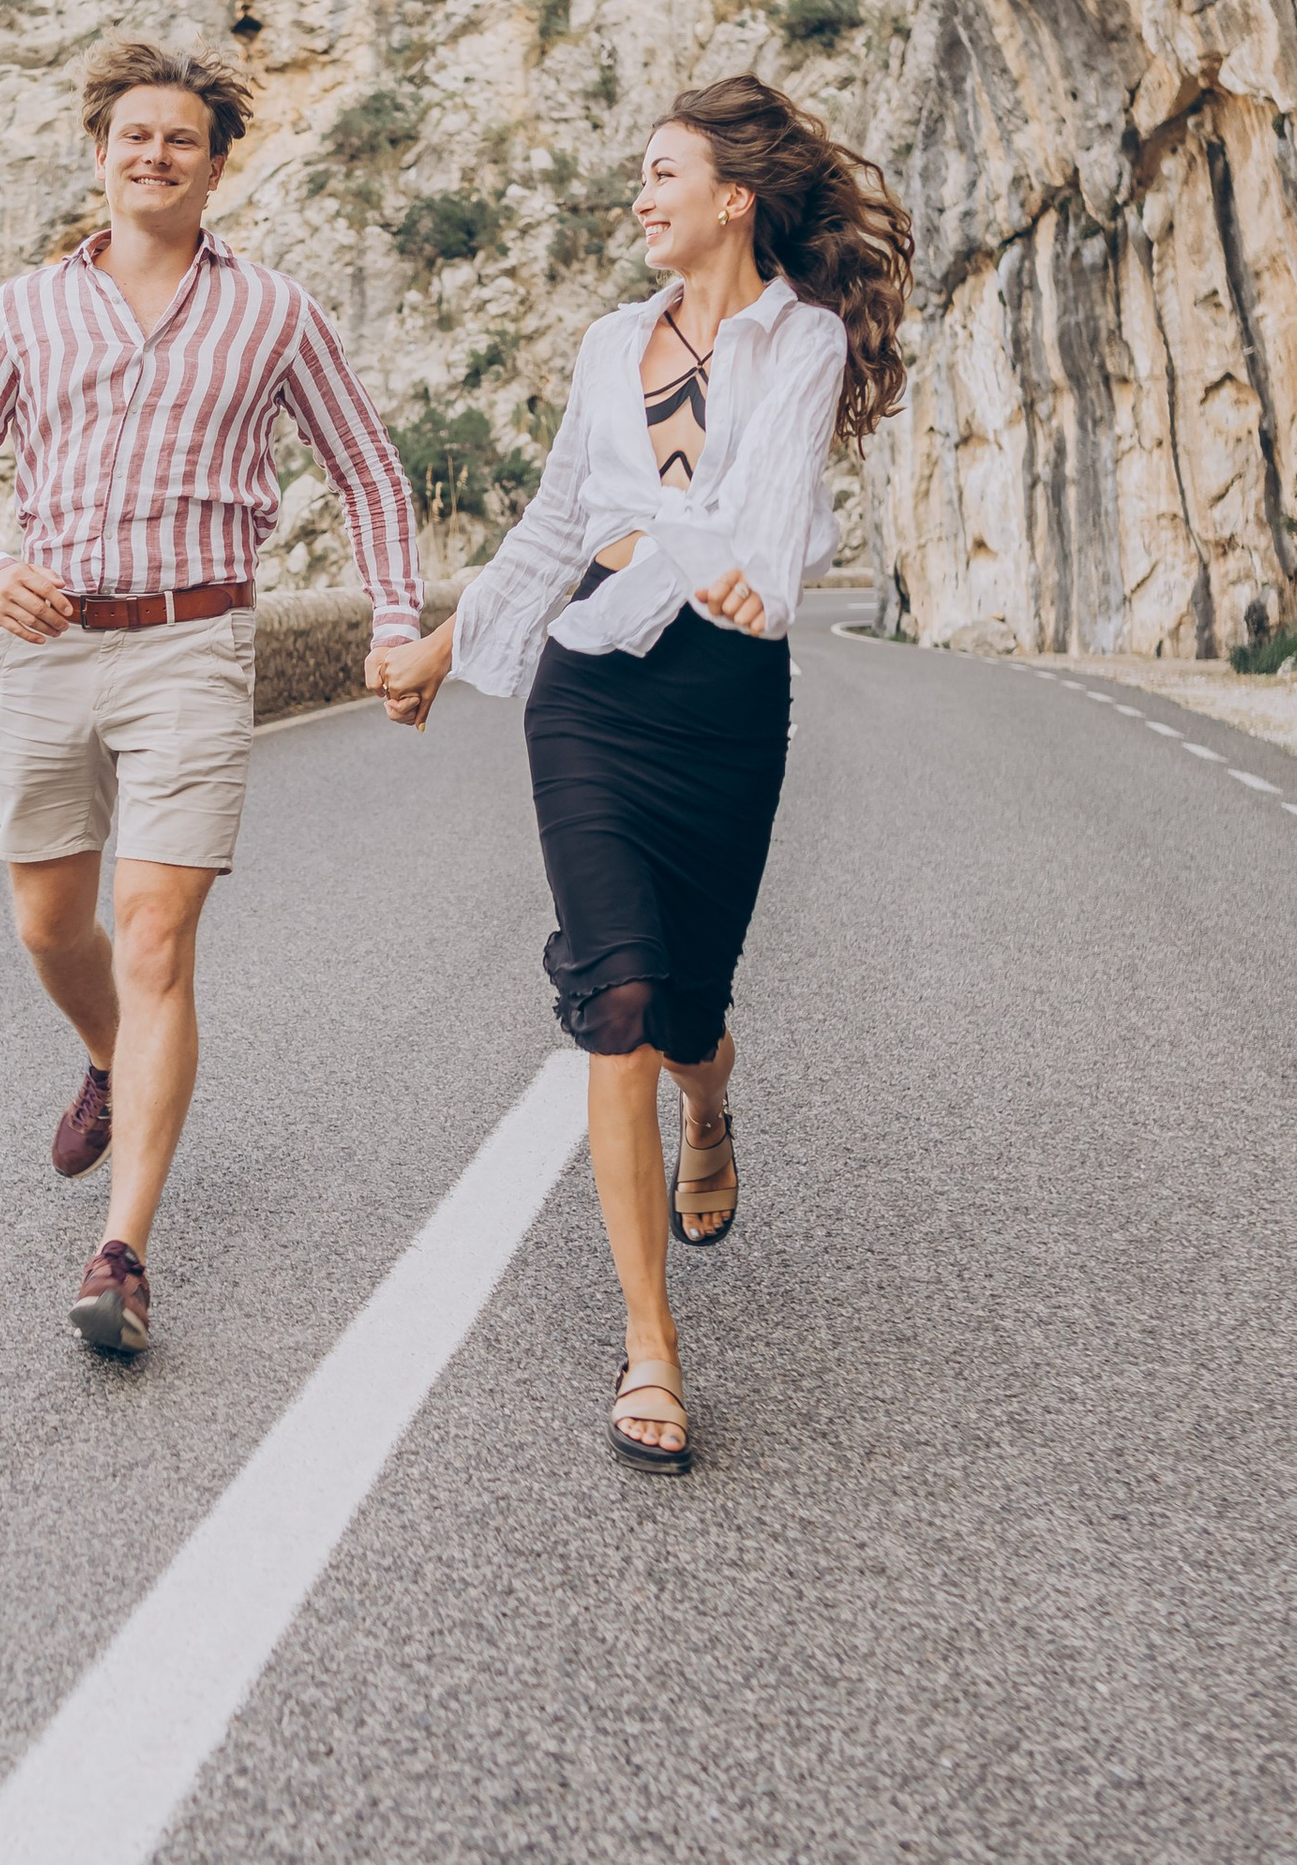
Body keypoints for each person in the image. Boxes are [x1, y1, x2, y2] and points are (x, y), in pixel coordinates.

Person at [374, 74, 912, 1471]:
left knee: (686, 1016)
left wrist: (690, 543)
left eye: (662, 173)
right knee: (614, 993)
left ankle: (712, 1101)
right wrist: (448, 645)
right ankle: (650, 1347)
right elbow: (563, 515)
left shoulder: (797, 343)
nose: (640, 196)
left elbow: (772, 514)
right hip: (592, 694)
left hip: (724, 694)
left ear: (733, 196)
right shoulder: (613, 340)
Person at [0, 38, 424, 1356]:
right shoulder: (27, 311)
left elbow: (370, 476)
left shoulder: (276, 314)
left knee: (154, 939)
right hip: (53, 648)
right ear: (101, 156)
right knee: (46, 919)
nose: (156, 155)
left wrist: (398, 619)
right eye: (134, 136)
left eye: (182, 139)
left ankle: (123, 1251)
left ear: (216, 164)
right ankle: (104, 1058)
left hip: (196, 650)